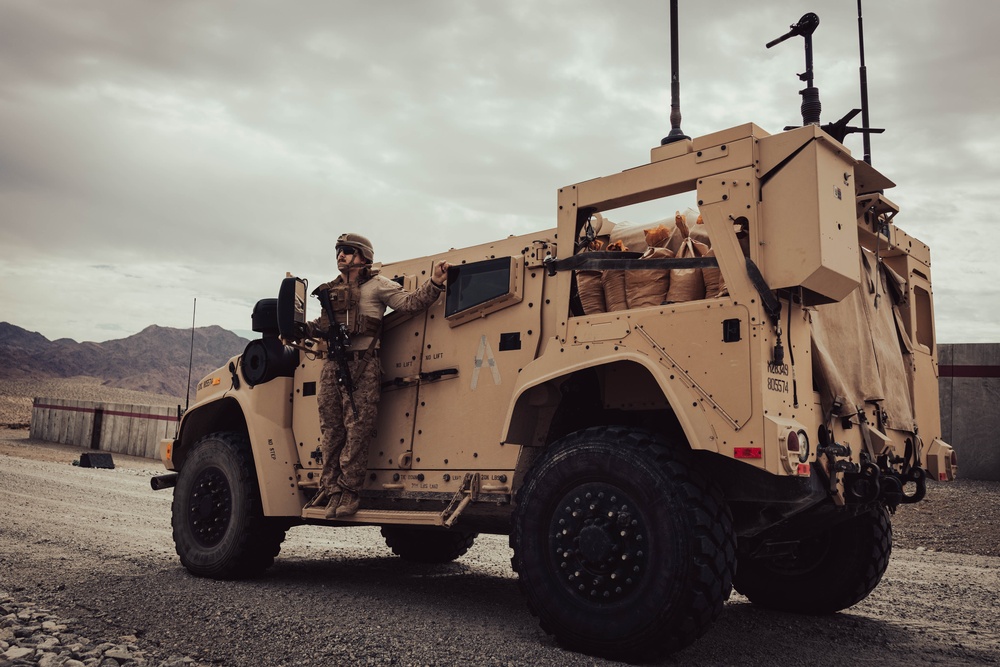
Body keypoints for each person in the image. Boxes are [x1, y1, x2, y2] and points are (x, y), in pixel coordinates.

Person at [303, 233, 449, 518]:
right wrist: (298, 328)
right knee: (331, 431)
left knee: (357, 430)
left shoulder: (378, 286)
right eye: (337, 251)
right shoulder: (330, 291)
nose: (340, 256)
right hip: (333, 365)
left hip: (363, 365)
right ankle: (331, 490)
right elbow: (321, 326)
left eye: (346, 251)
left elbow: (410, 303)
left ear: (363, 257)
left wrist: (435, 282)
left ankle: (349, 492)